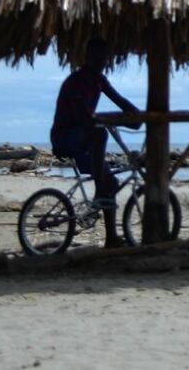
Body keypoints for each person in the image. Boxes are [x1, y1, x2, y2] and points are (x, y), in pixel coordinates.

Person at [50, 38, 140, 247]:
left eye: (104, 60)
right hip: (65, 137)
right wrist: (108, 121)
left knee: (111, 183)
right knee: (100, 134)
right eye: (98, 59)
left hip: (83, 139)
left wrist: (136, 115)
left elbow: (119, 100)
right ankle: (100, 190)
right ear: (88, 58)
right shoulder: (75, 82)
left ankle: (111, 238)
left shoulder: (99, 81)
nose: (101, 63)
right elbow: (83, 118)